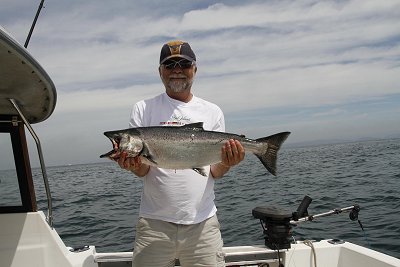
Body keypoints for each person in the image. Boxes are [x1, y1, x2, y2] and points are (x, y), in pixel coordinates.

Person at [117, 40, 245, 267]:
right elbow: (145, 169)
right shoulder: (143, 109)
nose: (177, 70)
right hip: (154, 224)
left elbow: (215, 172)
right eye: (169, 65)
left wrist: (228, 163)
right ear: (160, 72)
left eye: (184, 64)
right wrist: (135, 165)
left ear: (195, 69)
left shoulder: (212, 111)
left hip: (203, 224)